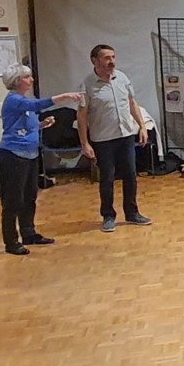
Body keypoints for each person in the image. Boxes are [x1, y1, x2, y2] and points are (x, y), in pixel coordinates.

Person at [0, 65, 82, 255]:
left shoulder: (24, 101)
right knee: (13, 200)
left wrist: (42, 124)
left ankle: (29, 233)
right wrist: (64, 96)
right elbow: (37, 106)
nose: (31, 80)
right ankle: (11, 242)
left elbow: (26, 125)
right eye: (27, 77)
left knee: (29, 197)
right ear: (17, 80)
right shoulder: (14, 100)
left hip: (30, 154)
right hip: (13, 155)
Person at [79, 44, 152, 233]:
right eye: (106, 58)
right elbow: (82, 116)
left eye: (113, 57)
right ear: (95, 61)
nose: (111, 61)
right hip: (103, 139)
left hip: (125, 135)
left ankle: (132, 213)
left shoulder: (122, 78)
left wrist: (142, 126)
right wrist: (85, 143)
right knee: (107, 178)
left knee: (131, 175)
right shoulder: (87, 85)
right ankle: (108, 216)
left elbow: (132, 103)